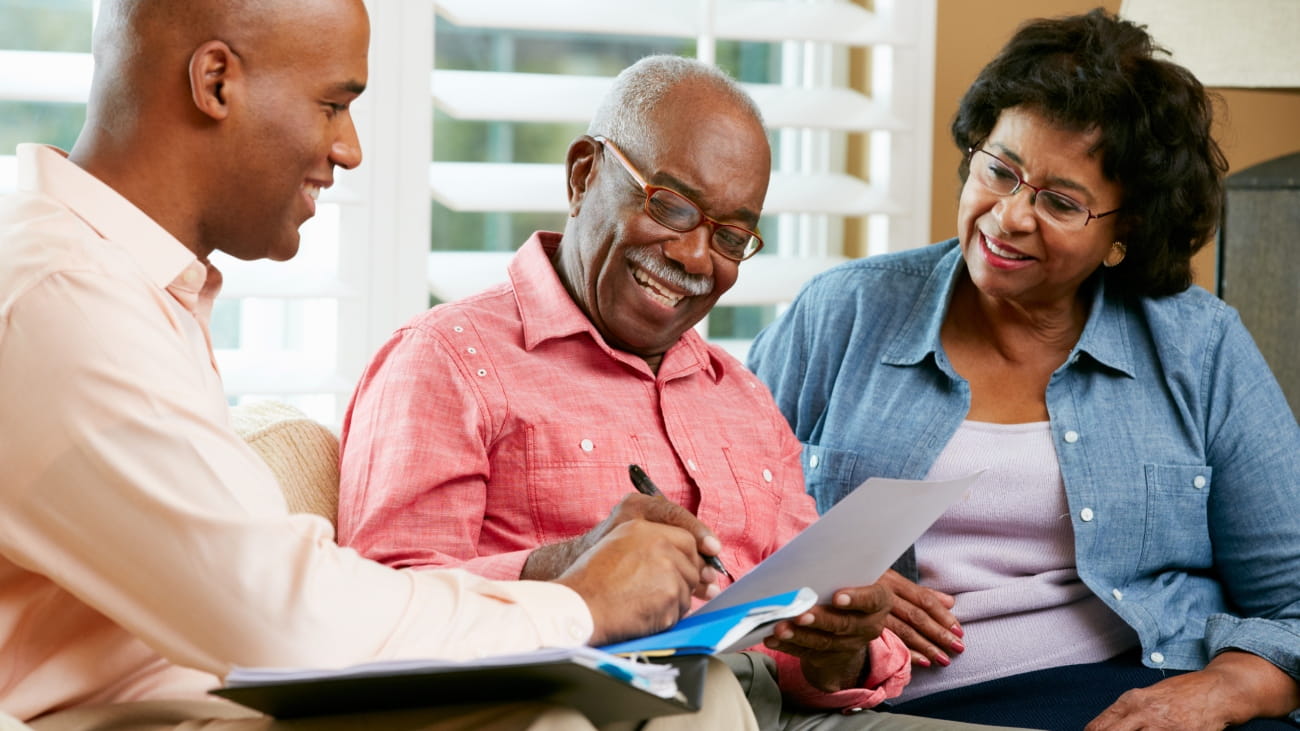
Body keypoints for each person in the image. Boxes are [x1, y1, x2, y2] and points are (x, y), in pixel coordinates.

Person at [0, 2, 762, 729]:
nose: (349, 149)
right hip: (115, 713)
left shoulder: (126, 282)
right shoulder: (60, 296)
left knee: (689, 695)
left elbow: (282, 594)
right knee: (570, 712)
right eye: (333, 105)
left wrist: (575, 578)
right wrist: (585, 603)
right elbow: (282, 617)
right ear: (216, 82)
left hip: (194, 691)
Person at [337, 54, 1024, 731]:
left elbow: (806, 663)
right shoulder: (447, 361)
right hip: (596, 703)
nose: (696, 257)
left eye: (730, 235)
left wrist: (838, 641)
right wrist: (566, 567)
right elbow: (384, 612)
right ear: (583, 175)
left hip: (782, 712)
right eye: (671, 205)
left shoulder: (743, 394)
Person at [747, 9, 1300, 731]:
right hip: (899, 706)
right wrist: (820, 584)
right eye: (999, 170)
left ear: (1124, 232)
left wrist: (1221, 689)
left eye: (1060, 201)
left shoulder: (1199, 346)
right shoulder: (842, 313)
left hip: (1141, 692)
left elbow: (1291, 600)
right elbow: (723, 530)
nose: (1008, 217)